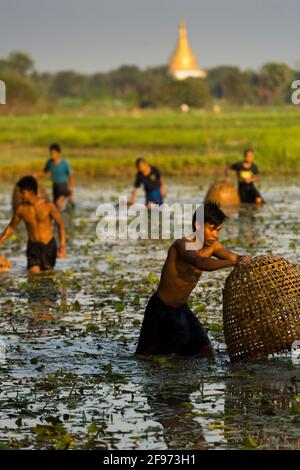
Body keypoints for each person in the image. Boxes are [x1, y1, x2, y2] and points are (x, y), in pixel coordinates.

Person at [135, 202, 251, 357]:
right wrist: (233, 263)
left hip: (181, 308)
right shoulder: (183, 245)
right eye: (211, 229)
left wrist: (245, 259)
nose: (215, 235)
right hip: (161, 309)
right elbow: (200, 262)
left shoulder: (213, 247)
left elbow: (235, 257)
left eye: (218, 230)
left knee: (205, 350)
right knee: (149, 356)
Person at [0, 176, 67, 272]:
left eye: (23, 193)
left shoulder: (48, 206)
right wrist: (0, 242)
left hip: (48, 246)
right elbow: (11, 227)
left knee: (47, 277)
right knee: (34, 275)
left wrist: (62, 245)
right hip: (33, 247)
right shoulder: (21, 209)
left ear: (31, 192)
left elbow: (60, 225)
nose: (20, 196)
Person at [35, 143, 74, 210]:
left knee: (59, 204)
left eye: (53, 153)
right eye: (50, 153)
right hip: (55, 187)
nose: (51, 155)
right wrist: (35, 176)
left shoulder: (65, 163)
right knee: (55, 207)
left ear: (58, 153)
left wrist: (70, 188)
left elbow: (71, 176)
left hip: (63, 187)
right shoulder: (50, 162)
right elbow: (44, 172)